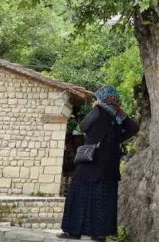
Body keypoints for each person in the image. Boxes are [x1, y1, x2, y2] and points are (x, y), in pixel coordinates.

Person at [60, 86, 140, 241]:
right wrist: (117, 139)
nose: (96, 100)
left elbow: (82, 126)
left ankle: (74, 231)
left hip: (91, 161)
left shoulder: (98, 110)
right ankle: (99, 234)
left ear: (103, 98)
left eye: (97, 98)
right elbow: (134, 128)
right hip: (109, 164)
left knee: (79, 192)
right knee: (103, 197)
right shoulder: (119, 114)